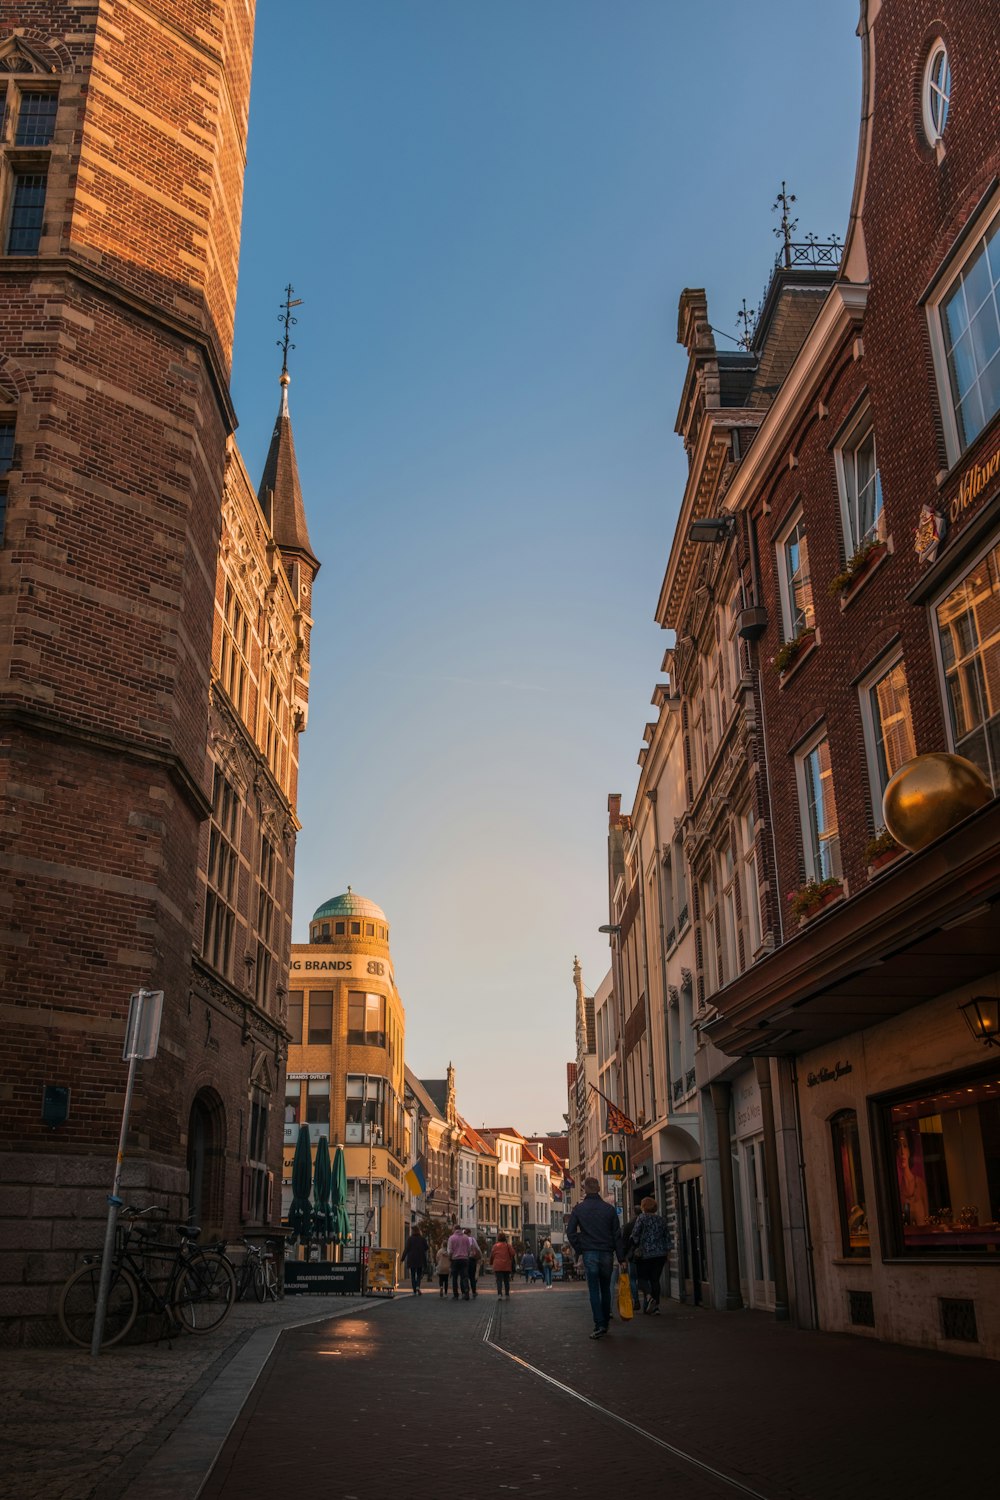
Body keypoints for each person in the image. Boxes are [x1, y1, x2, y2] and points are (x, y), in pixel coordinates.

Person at [565, 1176, 625, 1339]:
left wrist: (580, 1248)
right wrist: (621, 1257)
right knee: (606, 1288)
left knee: (593, 1289)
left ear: (585, 1189)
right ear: (598, 1188)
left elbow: (570, 1232)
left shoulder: (579, 1209)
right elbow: (616, 1235)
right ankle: (605, 1321)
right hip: (606, 1252)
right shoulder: (609, 1209)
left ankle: (599, 1324)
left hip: (590, 1252)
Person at [631, 1195, 671, 1314]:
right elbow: (667, 1237)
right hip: (660, 1255)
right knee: (655, 1280)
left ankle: (649, 1297)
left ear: (644, 1207)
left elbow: (635, 1234)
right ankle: (656, 1307)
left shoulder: (642, 1218)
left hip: (645, 1254)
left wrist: (633, 1244)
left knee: (642, 1278)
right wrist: (668, 1253)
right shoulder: (661, 1219)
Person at [620, 1214, 641, 1312]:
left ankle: (636, 1300)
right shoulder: (645, 1223)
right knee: (645, 1278)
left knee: (632, 1279)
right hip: (645, 1255)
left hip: (632, 1256)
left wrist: (623, 1258)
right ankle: (648, 1302)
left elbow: (624, 1242)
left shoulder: (628, 1226)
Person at [447, 1223, 473, 1300]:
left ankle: (456, 1295)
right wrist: (466, 1256)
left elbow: (450, 1250)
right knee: (464, 1277)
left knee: (454, 1277)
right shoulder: (466, 1238)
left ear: (454, 1229)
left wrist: (450, 1258)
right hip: (464, 1259)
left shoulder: (451, 1238)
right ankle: (466, 1292)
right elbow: (469, 1249)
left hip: (455, 1259)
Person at [402, 1227, 428, 1296]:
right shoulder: (422, 1239)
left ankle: (414, 1290)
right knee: (419, 1275)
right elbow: (426, 1247)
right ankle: (418, 1286)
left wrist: (402, 1258)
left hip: (412, 1259)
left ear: (413, 1231)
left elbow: (406, 1249)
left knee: (413, 1275)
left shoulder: (410, 1239)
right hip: (420, 1259)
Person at [489, 1233, 515, 1298]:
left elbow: (492, 1255)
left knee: (499, 1280)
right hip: (506, 1265)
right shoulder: (508, 1245)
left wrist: (491, 1262)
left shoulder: (495, 1246)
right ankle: (507, 1294)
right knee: (506, 1280)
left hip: (497, 1266)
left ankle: (499, 1294)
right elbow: (513, 1253)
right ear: (505, 1238)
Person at [467, 1230, 482, 1298]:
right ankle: (473, 1292)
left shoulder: (463, 1239)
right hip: (472, 1259)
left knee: (464, 1277)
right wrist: (480, 1256)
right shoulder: (472, 1239)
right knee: (472, 1277)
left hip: (464, 1259)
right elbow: (478, 1248)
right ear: (469, 1233)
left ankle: (465, 1291)